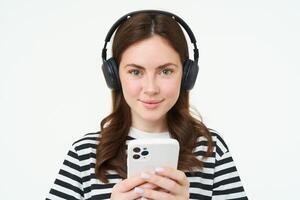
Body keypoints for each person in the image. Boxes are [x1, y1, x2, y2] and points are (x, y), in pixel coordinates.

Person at [47, 10, 248, 200]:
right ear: (115, 76)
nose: (151, 88)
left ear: (186, 75)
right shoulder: (85, 154)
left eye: (166, 71)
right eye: (135, 72)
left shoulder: (210, 149)